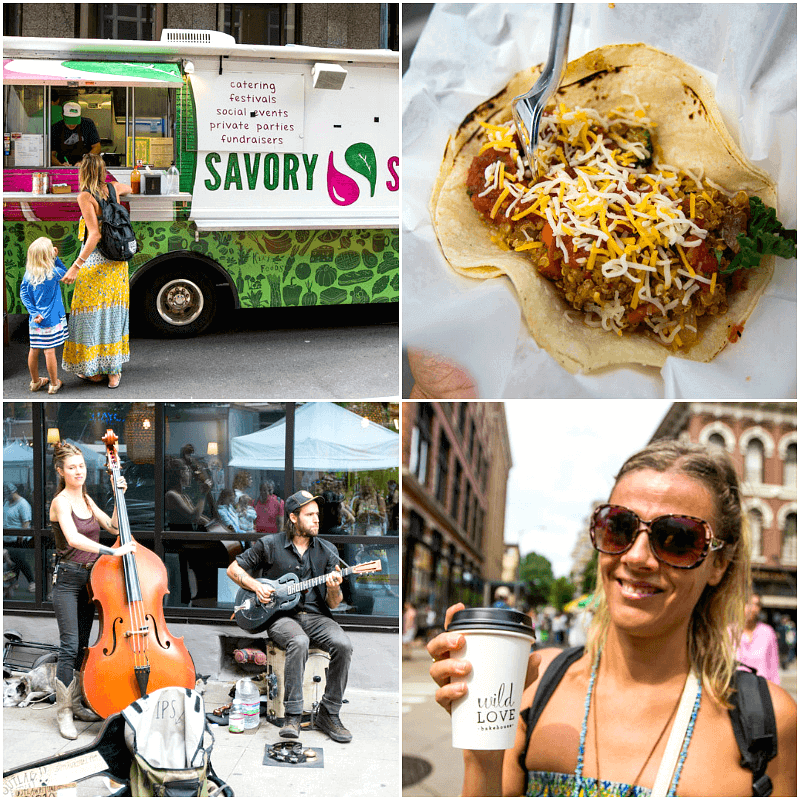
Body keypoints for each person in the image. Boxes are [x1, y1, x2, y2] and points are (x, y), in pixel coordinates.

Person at [428, 440, 797, 796]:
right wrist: (482, 749)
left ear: (718, 562)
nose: (636, 557)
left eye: (678, 538)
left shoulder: (768, 721)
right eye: (619, 526)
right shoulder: (534, 686)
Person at [226, 490, 353, 743]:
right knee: (299, 641)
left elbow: (334, 604)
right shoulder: (270, 545)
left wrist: (334, 586)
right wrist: (256, 586)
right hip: (282, 618)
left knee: (344, 645)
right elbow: (233, 569)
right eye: (310, 515)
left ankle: (329, 712)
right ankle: (293, 715)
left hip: (317, 616)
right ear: (293, 518)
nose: (317, 519)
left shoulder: (327, 551)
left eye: (318, 514)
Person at [49, 441, 135, 739]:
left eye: (81, 466)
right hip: (68, 581)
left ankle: (76, 703)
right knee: (69, 646)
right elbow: (73, 539)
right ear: (61, 471)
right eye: (72, 468)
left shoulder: (86, 499)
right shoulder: (61, 502)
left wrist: (118, 496)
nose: (78, 472)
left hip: (91, 582)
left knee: (84, 646)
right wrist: (110, 553)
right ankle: (63, 713)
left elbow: (112, 526)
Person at [60, 153, 131, 388]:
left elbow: (95, 235)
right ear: (101, 171)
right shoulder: (113, 188)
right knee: (113, 314)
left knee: (89, 315)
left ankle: (92, 370)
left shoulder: (85, 197)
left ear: (83, 172)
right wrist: (114, 191)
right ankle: (114, 372)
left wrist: (75, 266)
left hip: (97, 262)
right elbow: (129, 187)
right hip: (118, 263)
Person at [20, 237, 68, 394]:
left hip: (35, 321)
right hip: (51, 320)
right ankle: (54, 383)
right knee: (49, 352)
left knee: (34, 350)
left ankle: (35, 382)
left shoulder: (29, 274)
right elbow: (66, 273)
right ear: (49, 256)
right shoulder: (53, 273)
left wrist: (34, 313)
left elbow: (24, 294)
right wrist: (56, 257)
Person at [736, 593, 780, 685]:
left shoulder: (767, 632)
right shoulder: (729, 632)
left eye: (757, 605)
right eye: (748, 603)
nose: (753, 609)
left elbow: (773, 667)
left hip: (761, 689)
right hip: (735, 688)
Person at [3, 483, 35, 593]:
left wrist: (21, 535)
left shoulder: (23, 504)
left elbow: (26, 522)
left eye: (7, 494)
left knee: (21, 561)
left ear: (13, 492)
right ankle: (13, 581)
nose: (5, 496)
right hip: (7, 538)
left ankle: (32, 582)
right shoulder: (6, 502)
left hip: (19, 539)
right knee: (11, 563)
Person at [50, 101, 101, 166]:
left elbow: (97, 147)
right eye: (69, 121)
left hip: (86, 168)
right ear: (62, 116)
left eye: (75, 121)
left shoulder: (88, 124)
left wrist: (85, 162)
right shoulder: (56, 128)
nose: (72, 124)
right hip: (64, 168)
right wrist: (60, 165)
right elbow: (51, 155)